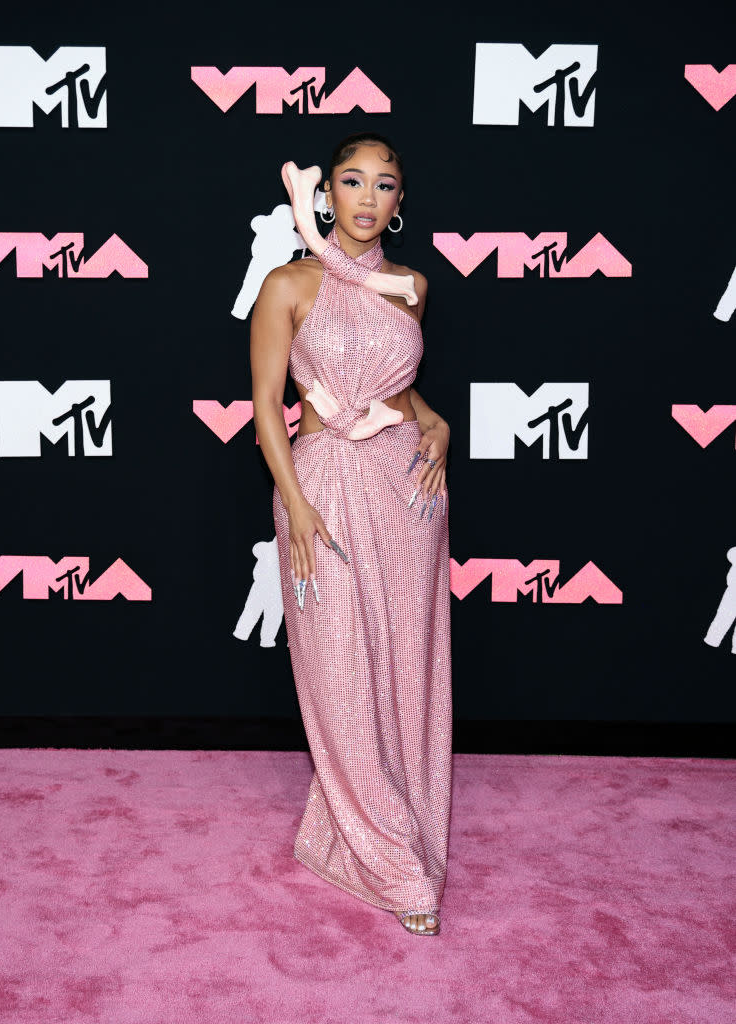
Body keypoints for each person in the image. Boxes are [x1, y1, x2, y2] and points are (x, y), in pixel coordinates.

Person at [250, 132, 452, 936]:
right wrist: (294, 504)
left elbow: (402, 394)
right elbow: (269, 405)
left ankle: (397, 821)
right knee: (340, 673)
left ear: (401, 203)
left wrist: (437, 423)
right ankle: (393, 860)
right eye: (352, 181)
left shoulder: (411, 287)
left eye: (386, 185)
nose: (369, 198)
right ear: (327, 193)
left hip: (409, 494)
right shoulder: (287, 282)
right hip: (322, 487)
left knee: (405, 669)